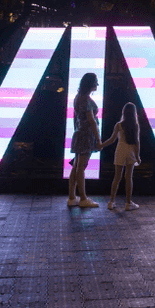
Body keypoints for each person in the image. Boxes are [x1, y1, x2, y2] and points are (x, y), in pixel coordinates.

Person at [68, 73, 102, 208]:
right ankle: (83, 198)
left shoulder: (78, 98)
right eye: (95, 82)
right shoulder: (86, 100)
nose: (97, 85)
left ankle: (72, 197)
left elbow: (75, 118)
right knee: (81, 167)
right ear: (90, 84)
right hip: (87, 136)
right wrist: (98, 140)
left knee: (76, 166)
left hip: (79, 134)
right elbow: (92, 121)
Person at [101, 102, 142, 211]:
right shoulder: (135, 125)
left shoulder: (118, 125)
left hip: (120, 151)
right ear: (134, 113)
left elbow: (112, 139)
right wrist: (137, 156)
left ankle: (111, 202)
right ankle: (128, 203)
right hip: (130, 152)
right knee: (128, 178)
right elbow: (136, 142)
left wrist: (102, 145)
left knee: (117, 177)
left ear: (124, 112)